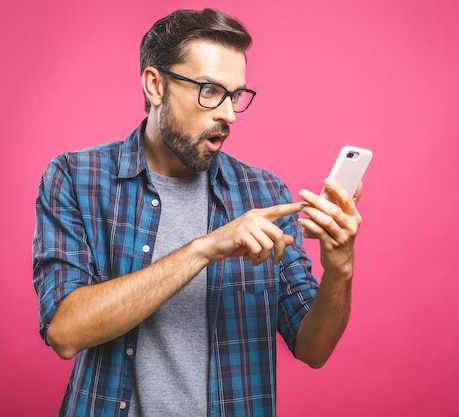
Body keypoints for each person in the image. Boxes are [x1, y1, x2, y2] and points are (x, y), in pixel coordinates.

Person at [32, 8, 363, 417]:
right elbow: (65, 331)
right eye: (209, 91)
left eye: (236, 95)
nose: (227, 114)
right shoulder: (75, 178)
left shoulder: (263, 193)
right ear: (155, 85)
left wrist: (340, 269)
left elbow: (313, 348)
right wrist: (205, 249)